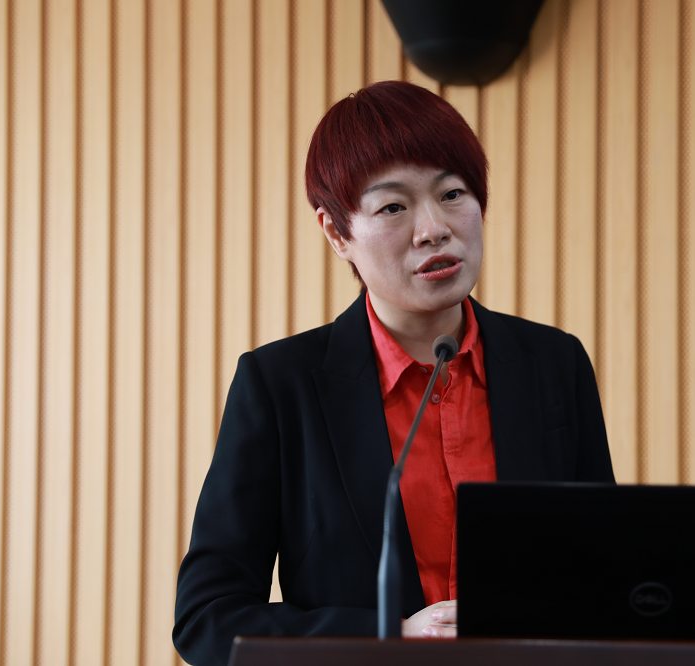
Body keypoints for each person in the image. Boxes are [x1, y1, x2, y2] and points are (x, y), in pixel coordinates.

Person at [173, 80, 615, 666]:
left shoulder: (554, 364)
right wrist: (389, 636)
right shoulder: (280, 386)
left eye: (452, 193)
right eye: (393, 207)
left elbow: (607, 577)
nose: (433, 228)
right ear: (337, 233)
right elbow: (208, 616)